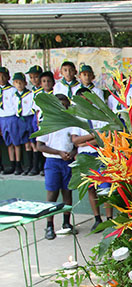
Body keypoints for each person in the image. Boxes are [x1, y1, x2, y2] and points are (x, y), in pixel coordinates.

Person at [37, 94, 78, 240]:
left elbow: (75, 144)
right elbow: (40, 146)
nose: (63, 108)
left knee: (67, 193)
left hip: (67, 162)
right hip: (53, 162)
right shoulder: (47, 122)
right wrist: (58, 152)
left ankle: (66, 223)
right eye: (60, 105)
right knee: (52, 194)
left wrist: (72, 153)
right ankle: (49, 225)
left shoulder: (72, 122)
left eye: (65, 105)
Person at [72, 87, 113, 231]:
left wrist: (85, 141)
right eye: (82, 100)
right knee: (91, 189)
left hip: (101, 154)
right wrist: (94, 135)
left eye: (88, 99)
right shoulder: (76, 118)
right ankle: (97, 218)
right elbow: (76, 141)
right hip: (85, 157)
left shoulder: (100, 115)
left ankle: (109, 219)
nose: (86, 102)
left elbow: (106, 136)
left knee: (106, 188)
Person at [8, 72, 34, 175]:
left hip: (29, 119)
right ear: (13, 84)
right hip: (19, 120)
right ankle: (27, 166)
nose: (19, 85)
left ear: (25, 83)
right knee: (26, 144)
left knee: (33, 143)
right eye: (16, 82)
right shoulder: (14, 96)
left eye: (21, 82)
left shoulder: (30, 94)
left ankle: (34, 166)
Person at [31, 71, 55, 176]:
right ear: (41, 83)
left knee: (49, 144)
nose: (46, 83)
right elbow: (37, 111)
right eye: (44, 81)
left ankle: (47, 167)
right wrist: (37, 123)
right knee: (40, 144)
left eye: (49, 81)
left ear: (53, 82)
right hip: (41, 122)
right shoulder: (39, 95)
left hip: (52, 122)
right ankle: (40, 167)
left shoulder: (55, 94)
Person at [0, 66, 17, 174]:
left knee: (14, 142)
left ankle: (15, 164)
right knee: (7, 143)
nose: (1, 78)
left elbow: (16, 105)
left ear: (8, 77)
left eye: (4, 76)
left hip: (11, 117)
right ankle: (6, 165)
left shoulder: (13, 90)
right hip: (1, 118)